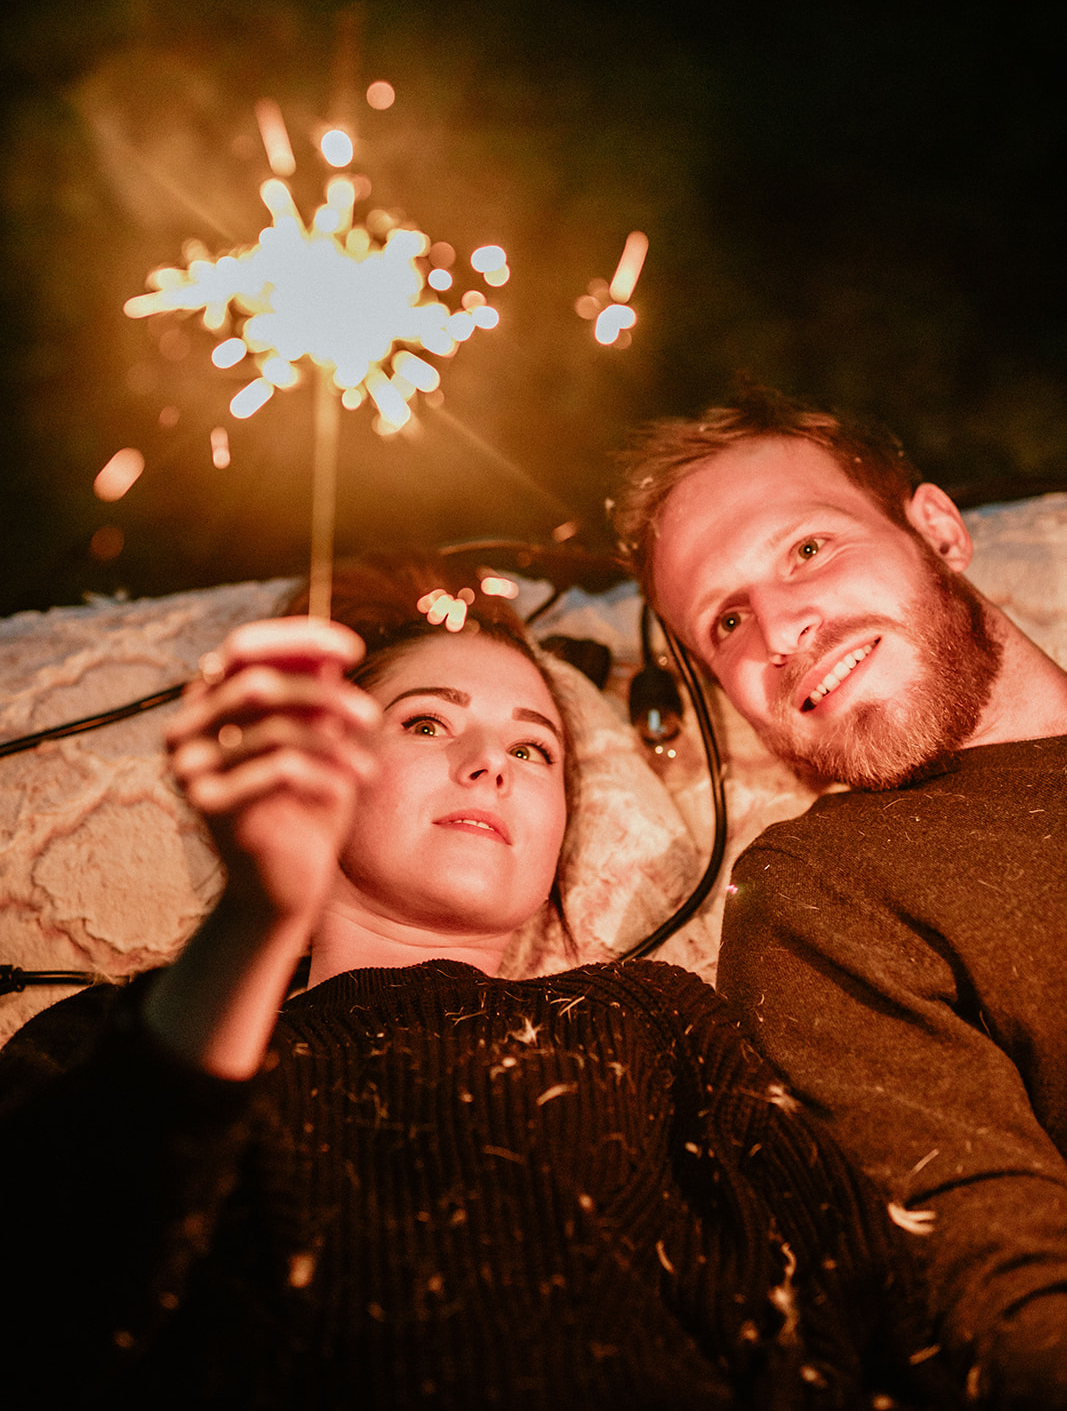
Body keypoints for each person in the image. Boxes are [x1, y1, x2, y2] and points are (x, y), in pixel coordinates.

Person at [0, 556, 950, 1410]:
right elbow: (44, 1323)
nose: (489, 762)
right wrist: (250, 925)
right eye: (425, 721)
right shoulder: (132, 1040)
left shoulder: (653, 1022)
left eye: (533, 749)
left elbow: (876, 1317)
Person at [613, 384, 1067, 1411]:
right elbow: (1002, 1305)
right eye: (724, 619)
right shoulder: (818, 895)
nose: (779, 628)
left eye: (805, 550)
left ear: (937, 530)